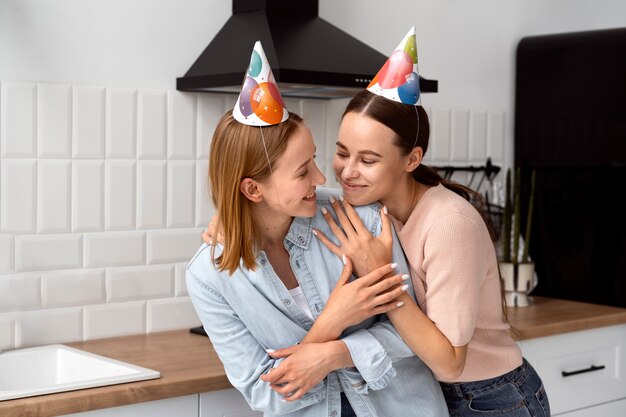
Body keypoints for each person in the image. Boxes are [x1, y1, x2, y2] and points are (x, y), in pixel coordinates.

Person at [270, 28, 551, 417]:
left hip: (489, 399)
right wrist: (225, 227)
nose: (347, 172)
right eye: (341, 153)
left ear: (412, 160)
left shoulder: (448, 223)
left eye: (368, 160)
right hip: (427, 396)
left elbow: (450, 361)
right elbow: (280, 200)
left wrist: (381, 275)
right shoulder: (368, 209)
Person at [186, 41, 449, 417]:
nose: (324, 177)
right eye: (302, 171)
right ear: (252, 189)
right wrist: (332, 321)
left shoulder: (356, 218)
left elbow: (415, 335)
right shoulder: (209, 277)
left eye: (314, 160)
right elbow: (268, 393)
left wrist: (334, 354)